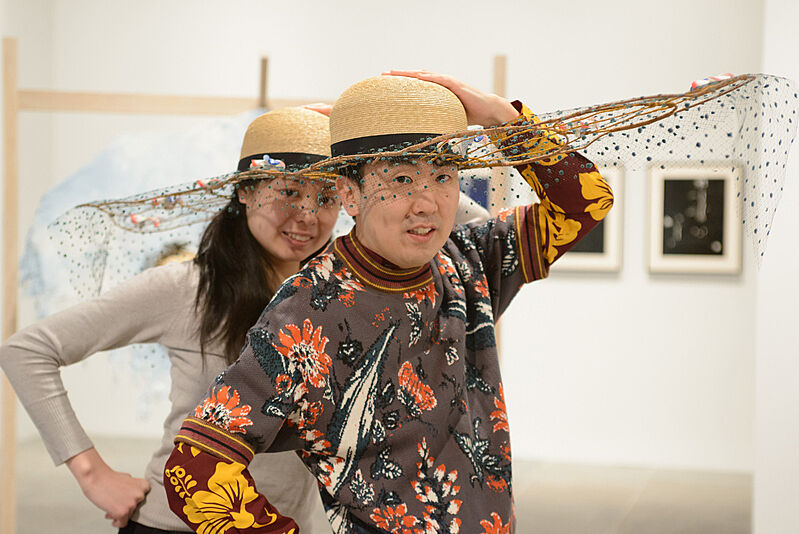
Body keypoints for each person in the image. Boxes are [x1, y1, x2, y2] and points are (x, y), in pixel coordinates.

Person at [163, 72, 613, 533]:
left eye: (442, 176)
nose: (427, 203)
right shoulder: (307, 313)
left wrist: (501, 118)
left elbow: (586, 203)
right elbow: (193, 471)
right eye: (401, 179)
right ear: (349, 194)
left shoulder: (469, 261)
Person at [0, 106, 341, 533]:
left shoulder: (334, 298)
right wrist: (94, 475)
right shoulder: (189, 287)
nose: (308, 215)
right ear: (245, 192)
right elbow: (27, 349)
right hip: (177, 525)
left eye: (326, 197)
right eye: (289, 193)